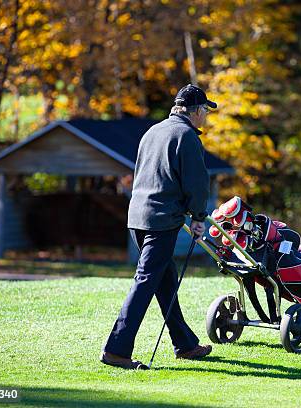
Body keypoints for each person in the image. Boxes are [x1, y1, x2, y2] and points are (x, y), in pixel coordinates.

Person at [100, 84, 217, 369]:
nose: (206, 118)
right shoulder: (187, 136)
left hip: (138, 218)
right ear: (197, 111)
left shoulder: (152, 131)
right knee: (145, 282)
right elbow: (197, 183)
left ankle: (185, 345)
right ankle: (116, 349)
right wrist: (199, 217)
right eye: (206, 112)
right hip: (161, 222)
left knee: (164, 281)